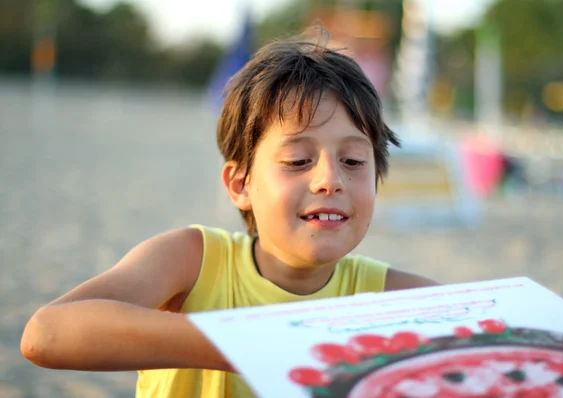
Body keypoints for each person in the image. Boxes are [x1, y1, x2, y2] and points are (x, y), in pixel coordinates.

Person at [20, 27, 438, 398]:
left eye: (352, 161)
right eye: (297, 160)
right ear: (241, 185)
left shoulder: (387, 297)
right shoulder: (193, 261)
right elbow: (47, 334)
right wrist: (248, 344)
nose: (331, 180)